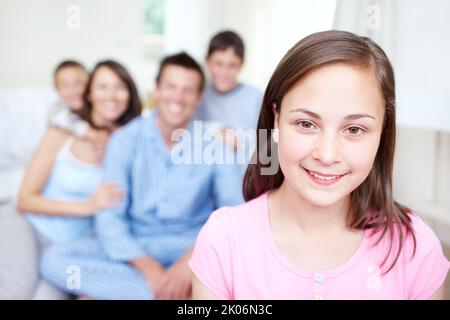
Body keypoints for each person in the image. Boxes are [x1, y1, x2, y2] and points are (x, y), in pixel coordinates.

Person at [189, 30, 450, 300]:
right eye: (306, 124)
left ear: (382, 131)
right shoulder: (223, 241)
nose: (327, 155)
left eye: (354, 129)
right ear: (276, 119)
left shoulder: (414, 245)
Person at [40, 52, 244, 300]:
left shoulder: (215, 145)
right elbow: (110, 218)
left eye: (187, 90)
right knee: (54, 260)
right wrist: (150, 269)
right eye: (171, 87)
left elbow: (232, 215)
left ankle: (141, 290)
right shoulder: (124, 140)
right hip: (136, 242)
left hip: (191, 244)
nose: (178, 98)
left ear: (198, 98)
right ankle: (177, 295)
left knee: (243, 261)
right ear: (156, 90)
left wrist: (186, 266)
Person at [16, 60, 141, 298]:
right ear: (90, 93)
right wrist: (88, 206)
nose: (112, 95)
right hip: (31, 229)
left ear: (130, 94)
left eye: (120, 87)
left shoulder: (130, 140)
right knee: (16, 291)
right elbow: (25, 199)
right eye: (103, 87)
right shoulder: (62, 130)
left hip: (76, 246)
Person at [193, 30, 262, 167]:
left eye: (232, 65)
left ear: (241, 65)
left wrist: (238, 141)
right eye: (218, 64)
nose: (224, 72)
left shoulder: (255, 96)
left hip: (243, 174)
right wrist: (216, 133)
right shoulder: (198, 94)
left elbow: (267, 144)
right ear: (207, 62)